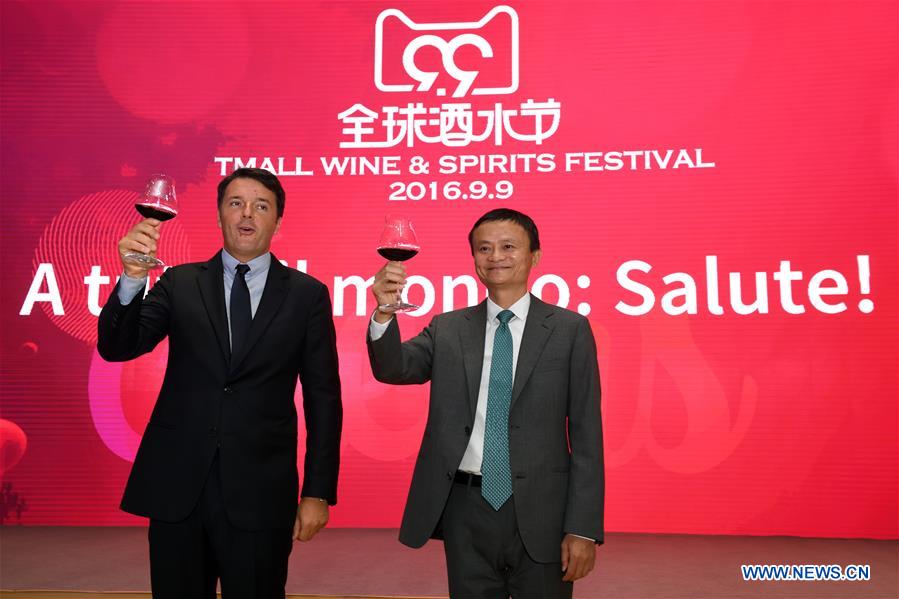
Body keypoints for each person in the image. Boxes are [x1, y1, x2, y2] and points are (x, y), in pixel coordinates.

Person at [98, 168, 342, 598]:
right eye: (235, 203)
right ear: (218, 216)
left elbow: (323, 399)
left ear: (277, 222)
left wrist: (317, 492)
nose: (247, 214)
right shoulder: (180, 282)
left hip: (261, 492)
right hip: (178, 488)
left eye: (261, 206)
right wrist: (133, 276)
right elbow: (118, 347)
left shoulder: (307, 295)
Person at [367, 208, 604, 598]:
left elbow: (587, 436)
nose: (495, 256)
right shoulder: (448, 328)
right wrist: (384, 311)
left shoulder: (569, 330)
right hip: (466, 507)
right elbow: (394, 368)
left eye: (508, 247)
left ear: (535, 256)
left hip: (544, 509)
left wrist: (582, 528)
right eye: (484, 248)